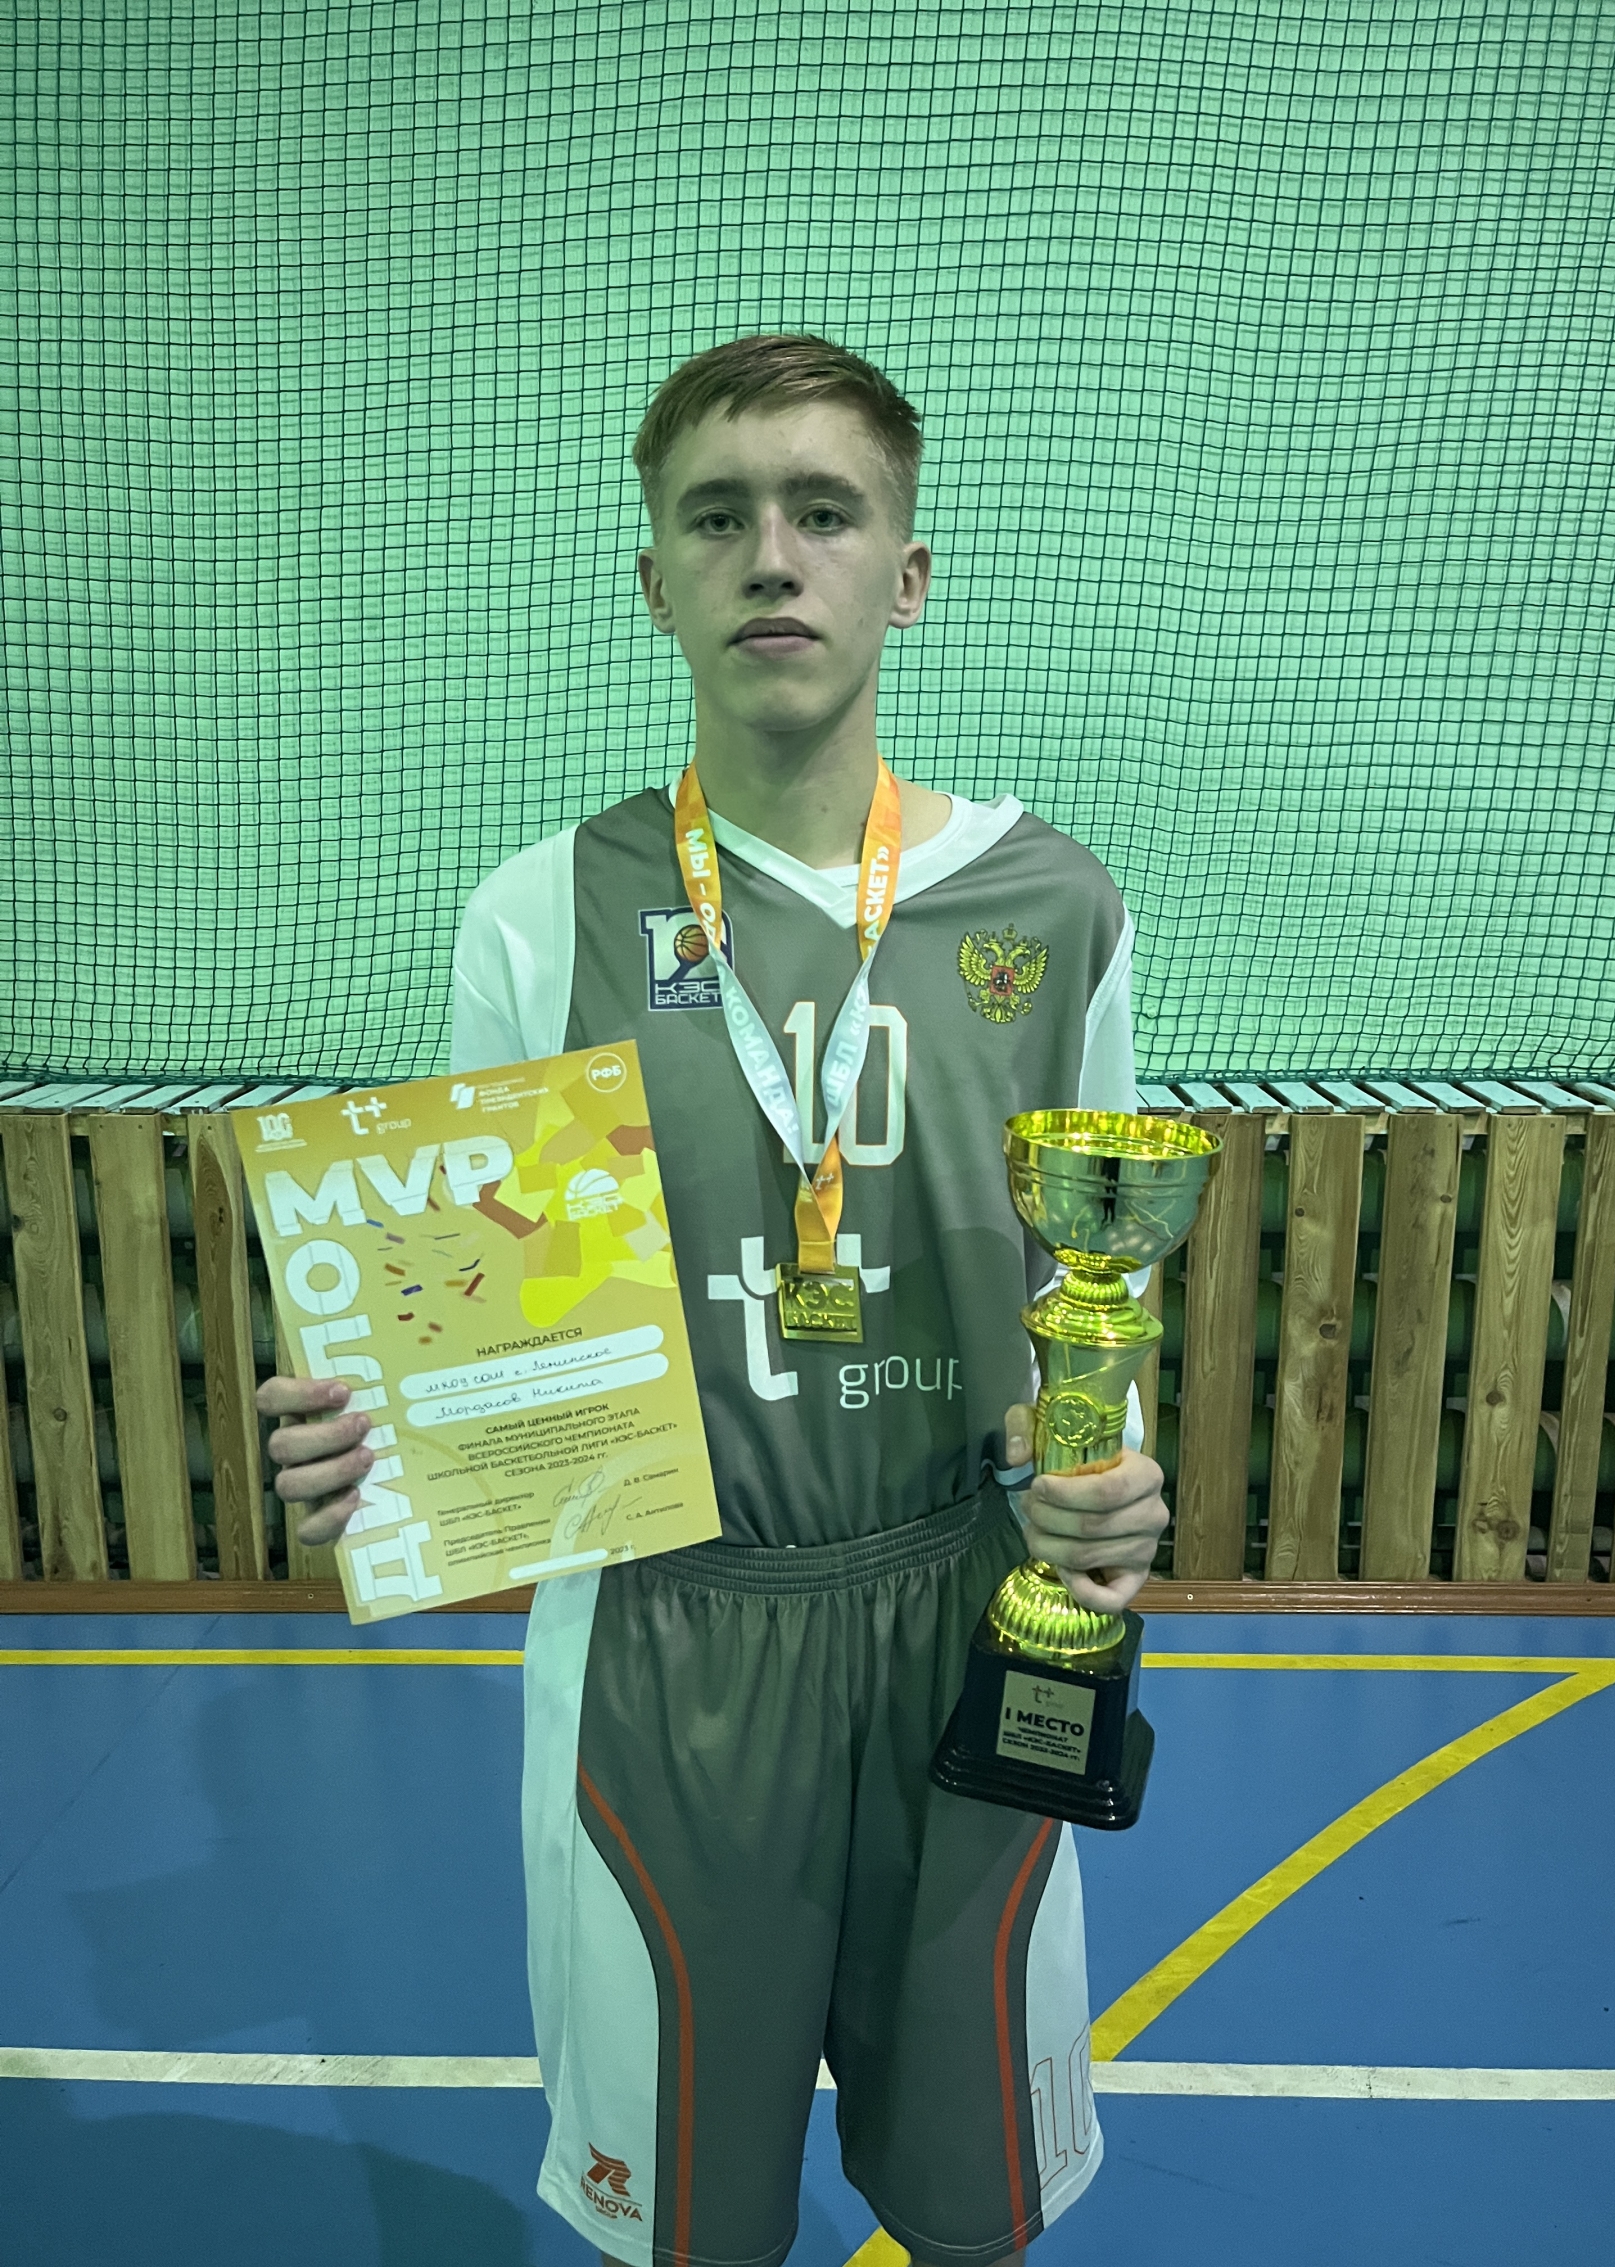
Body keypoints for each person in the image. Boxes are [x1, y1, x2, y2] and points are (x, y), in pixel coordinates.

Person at [257, 333, 1169, 2267]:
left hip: (966, 1613)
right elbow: (484, 1318)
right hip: (662, 1637)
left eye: (825, 512)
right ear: (654, 577)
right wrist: (373, 1443)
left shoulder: (1055, 908)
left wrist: (1107, 1480)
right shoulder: (540, 916)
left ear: (906, 573)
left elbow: (1092, 1285)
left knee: (975, 2211)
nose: (772, 556)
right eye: (717, 517)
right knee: (691, 2227)